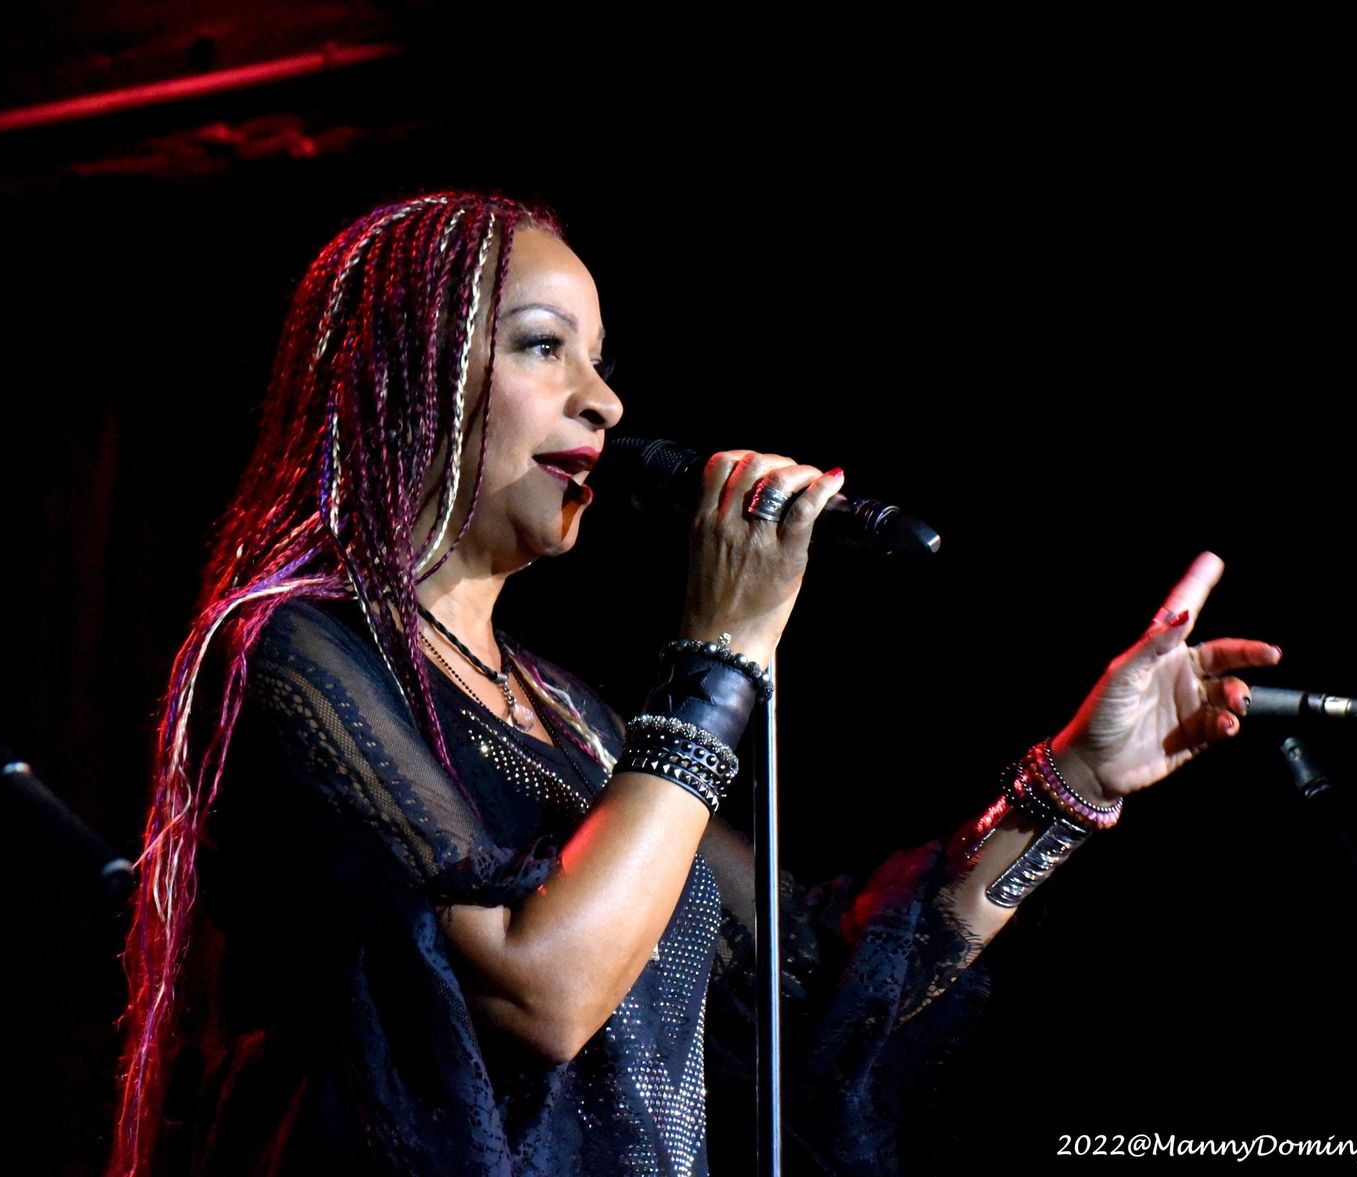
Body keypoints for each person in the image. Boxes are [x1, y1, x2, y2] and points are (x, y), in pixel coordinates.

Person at [110, 191, 1280, 1176]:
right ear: (398, 375)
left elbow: (819, 980)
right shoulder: (287, 647)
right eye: (541, 346)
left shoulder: (573, 719)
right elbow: (539, 988)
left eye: (600, 361)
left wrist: (1075, 779)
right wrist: (723, 657)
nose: (603, 401)